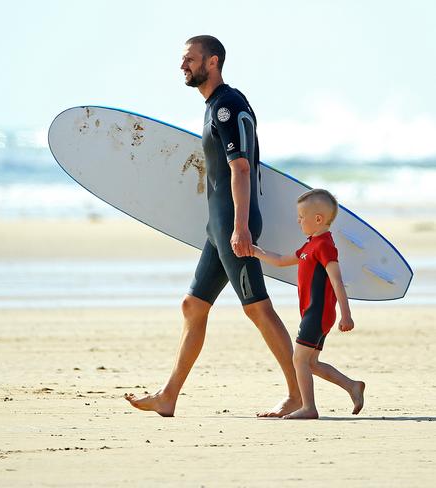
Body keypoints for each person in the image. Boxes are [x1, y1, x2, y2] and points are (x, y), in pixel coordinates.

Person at [124, 35, 301, 417]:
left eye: (190, 59)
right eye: (183, 59)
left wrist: (240, 228)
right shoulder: (215, 105)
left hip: (233, 223)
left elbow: (241, 168)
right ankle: (168, 396)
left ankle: (298, 394)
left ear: (212, 62)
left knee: (258, 308)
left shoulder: (226, 106)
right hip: (220, 223)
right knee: (193, 305)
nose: (183, 65)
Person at [251, 189, 365, 419]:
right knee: (311, 362)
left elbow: (337, 281)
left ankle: (309, 407)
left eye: (302, 217)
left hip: (318, 313)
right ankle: (353, 386)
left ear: (318, 219)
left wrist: (346, 314)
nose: (298, 220)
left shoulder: (324, 246)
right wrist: (255, 252)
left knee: (298, 359)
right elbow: (282, 261)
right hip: (312, 313)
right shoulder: (309, 246)